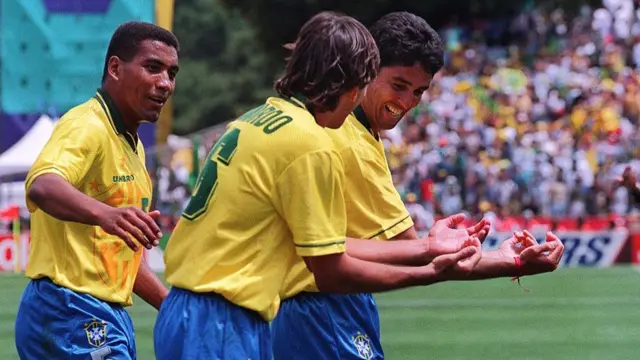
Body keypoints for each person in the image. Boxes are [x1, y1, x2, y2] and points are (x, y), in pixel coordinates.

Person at [154, 11, 482, 360]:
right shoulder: (310, 143)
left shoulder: (256, 118)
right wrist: (429, 271)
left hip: (198, 309)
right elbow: (331, 271)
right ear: (351, 85)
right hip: (222, 322)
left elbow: (331, 248)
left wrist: (428, 248)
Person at [272, 12, 565, 360]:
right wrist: (508, 261)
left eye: (419, 92)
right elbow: (411, 253)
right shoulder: (350, 141)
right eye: (398, 86)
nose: (407, 102)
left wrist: (440, 248)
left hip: (312, 310)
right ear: (368, 68)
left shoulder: (351, 130)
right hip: (321, 314)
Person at [14, 21, 179, 359]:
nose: (165, 83)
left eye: (172, 73)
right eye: (152, 67)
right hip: (69, 309)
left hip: (100, 314)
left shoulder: (133, 149)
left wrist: (173, 307)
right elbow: (43, 184)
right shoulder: (86, 125)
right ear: (115, 68)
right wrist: (108, 215)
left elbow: (122, 263)